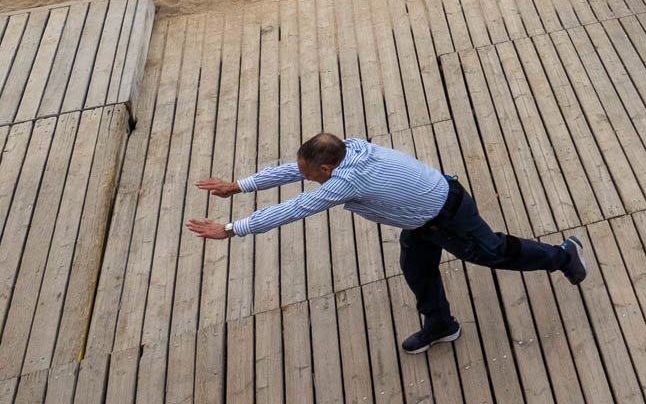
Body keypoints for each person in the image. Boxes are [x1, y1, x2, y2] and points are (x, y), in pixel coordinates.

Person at [187, 133, 587, 354]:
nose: (306, 175)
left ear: (326, 168)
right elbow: (295, 170)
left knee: (495, 253)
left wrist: (230, 229)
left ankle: (562, 255)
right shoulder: (349, 147)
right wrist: (240, 186)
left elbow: (296, 208)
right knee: (416, 267)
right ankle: (441, 325)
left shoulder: (343, 181)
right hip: (424, 217)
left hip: (449, 215)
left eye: (312, 173)